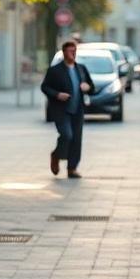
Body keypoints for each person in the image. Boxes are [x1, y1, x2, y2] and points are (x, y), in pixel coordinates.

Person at [42, 39, 93, 180]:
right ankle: (57, 155)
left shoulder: (81, 69)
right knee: (66, 135)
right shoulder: (55, 70)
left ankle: (72, 168)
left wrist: (87, 87)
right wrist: (57, 95)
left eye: (75, 51)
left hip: (77, 109)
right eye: (71, 51)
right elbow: (45, 87)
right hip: (61, 110)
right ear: (64, 52)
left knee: (77, 139)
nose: (73, 54)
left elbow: (91, 85)